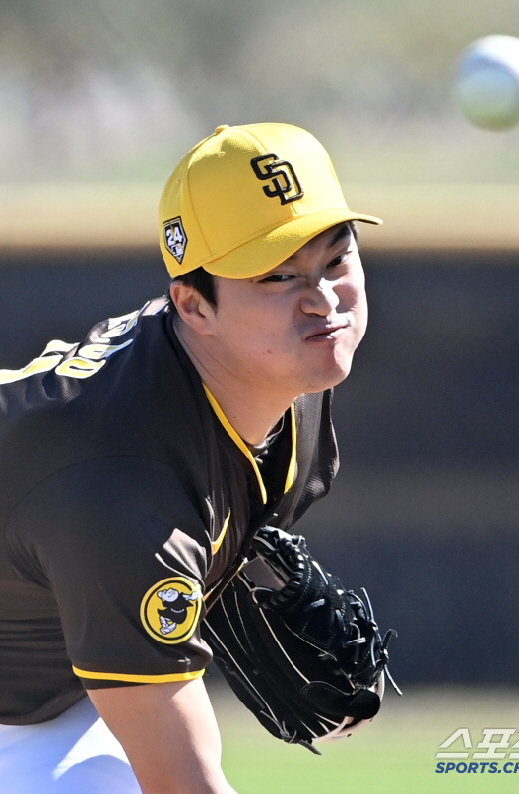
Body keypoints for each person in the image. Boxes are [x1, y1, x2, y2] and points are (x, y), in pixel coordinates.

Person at [0, 122, 381, 793]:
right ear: (192, 305)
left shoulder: (288, 383)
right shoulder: (120, 488)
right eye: (278, 275)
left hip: (47, 692)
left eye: (336, 259)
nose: (322, 299)